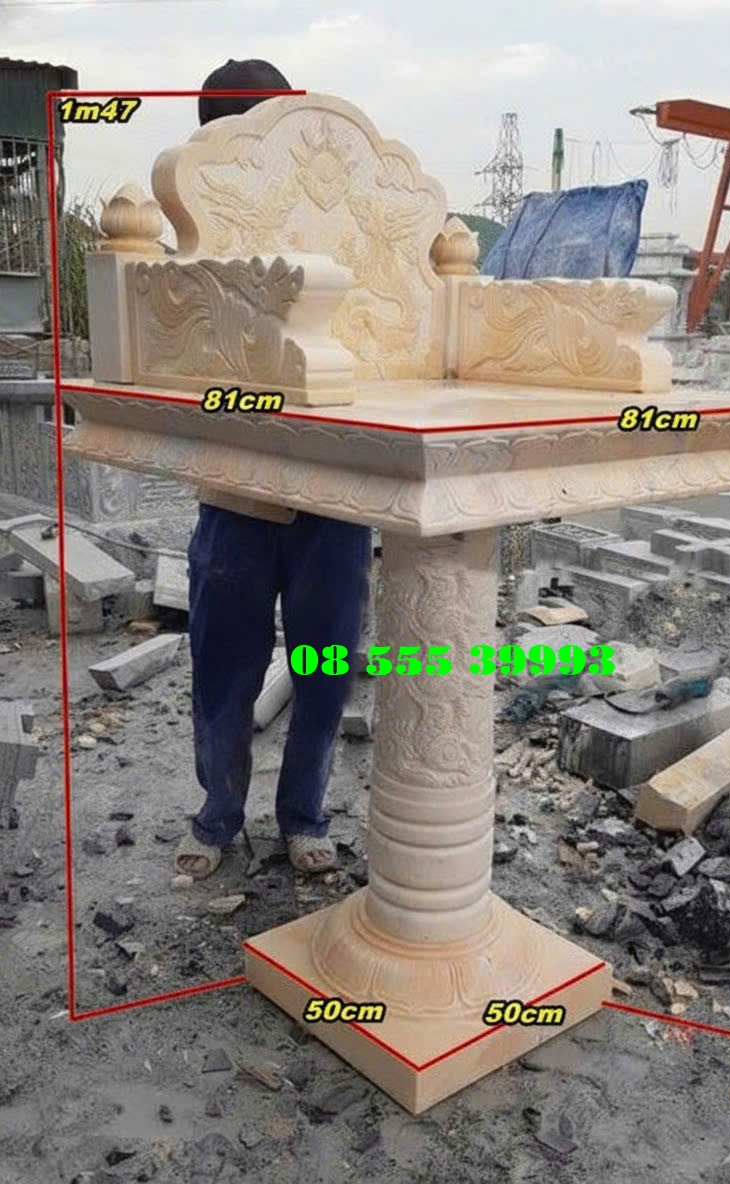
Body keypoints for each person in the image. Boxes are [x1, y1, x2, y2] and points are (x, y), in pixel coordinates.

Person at [174, 59, 371, 879]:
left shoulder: (344, 222)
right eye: (234, 130)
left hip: (333, 495)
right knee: (225, 671)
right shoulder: (199, 228)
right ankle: (218, 817)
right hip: (237, 495)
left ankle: (303, 816)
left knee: (323, 672)